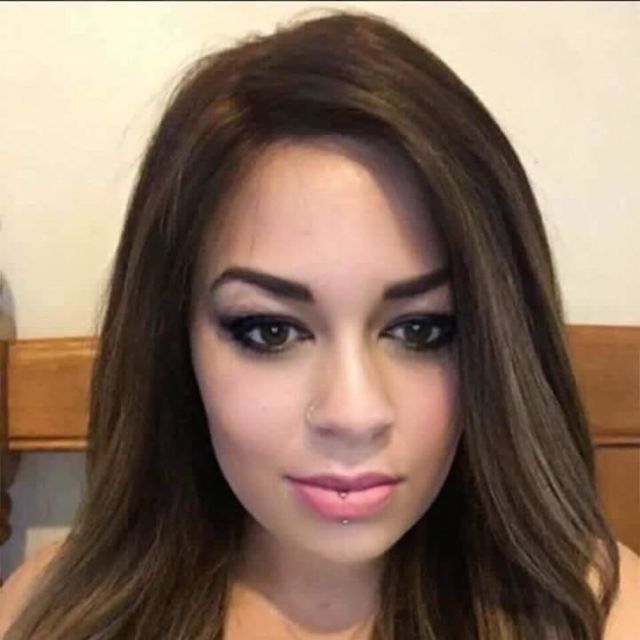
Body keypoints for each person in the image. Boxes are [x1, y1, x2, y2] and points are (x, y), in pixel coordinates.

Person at [0, 9, 638, 640]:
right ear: (172, 341)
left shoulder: (600, 616)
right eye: (270, 332)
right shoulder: (52, 618)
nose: (354, 414)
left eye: (421, 330)